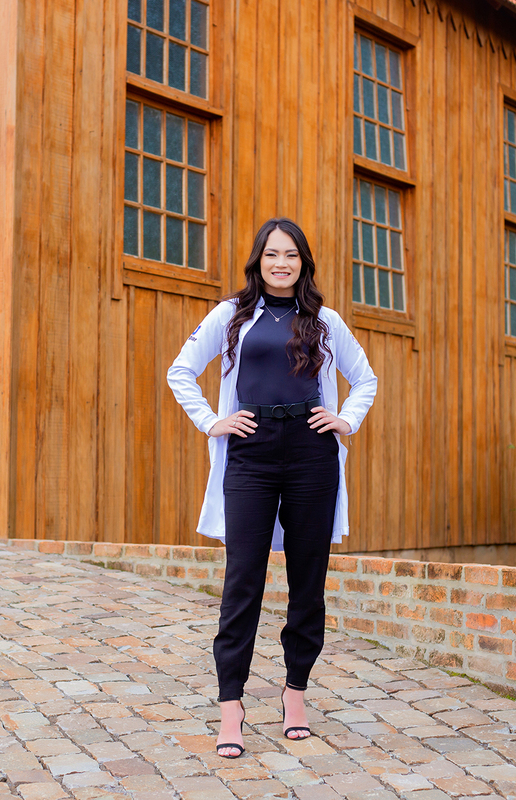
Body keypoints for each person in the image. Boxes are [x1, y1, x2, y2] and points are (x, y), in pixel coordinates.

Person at [166, 218, 377, 758]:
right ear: (258, 261)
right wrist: (212, 421)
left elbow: (365, 379)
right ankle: (231, 707)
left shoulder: (325, 321)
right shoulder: (231, 315)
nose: (281, 264)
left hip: (311, 453)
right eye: (272, 255)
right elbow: (180, 371)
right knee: (242, 582)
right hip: (251, 453)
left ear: (303, 263)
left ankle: (295, 694)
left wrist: (345, 420)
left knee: (308, 582)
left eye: (291, 255)